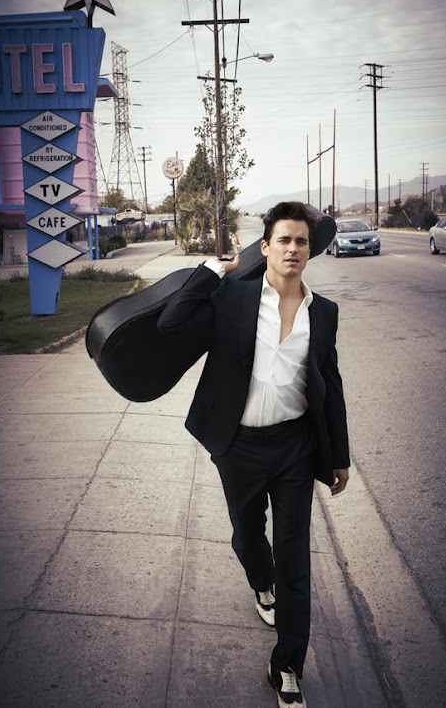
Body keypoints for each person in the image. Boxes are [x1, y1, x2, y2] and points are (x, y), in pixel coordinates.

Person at [158, 201, 350, 707]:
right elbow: (171, 324)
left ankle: (287, 665)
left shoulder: (324, 312)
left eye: (301, 241)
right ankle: (260, 582)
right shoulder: (234, 298)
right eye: (283, 240)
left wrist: (339, 455)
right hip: (238, 445)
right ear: (264, 248)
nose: (293, 249)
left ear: (310, 250)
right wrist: (211, 271)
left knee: (295, 557)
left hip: (294, 449)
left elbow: (329, 385)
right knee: (248, 536)